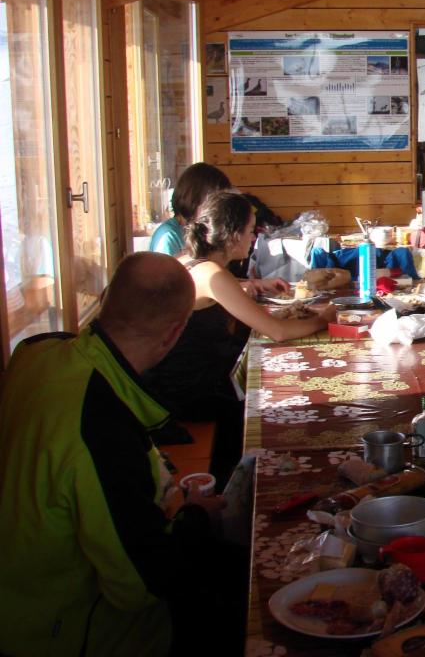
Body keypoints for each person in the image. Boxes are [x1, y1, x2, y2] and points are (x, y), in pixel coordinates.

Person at [0, 252, 236, 656]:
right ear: (174, 334)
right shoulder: (100, 426)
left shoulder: (38, 353)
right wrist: (196, 516)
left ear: (107, 297)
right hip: (66, 631)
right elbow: (142, 583)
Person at [143, 190, 336, 483]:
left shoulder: (192, 261)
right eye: (249, 231)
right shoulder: (212, 274)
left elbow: (229, 292)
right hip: (187, 394)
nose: (253, 237)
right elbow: (278, 331)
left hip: (169, 383)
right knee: (269, 410)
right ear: (232, 235)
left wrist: (253, 284)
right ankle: (239, 487)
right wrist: (323, 320)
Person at [150, 162, 232, 257]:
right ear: (194, 198)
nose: (221, 208)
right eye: (216, 200)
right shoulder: (168, 235)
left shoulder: (202, 230)